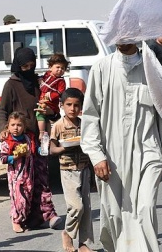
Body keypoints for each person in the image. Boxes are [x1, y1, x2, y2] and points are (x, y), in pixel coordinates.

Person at [80, 42, 162, 252]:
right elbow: (90, 116)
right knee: (114, 215)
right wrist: (97, 156)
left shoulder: (152, 69)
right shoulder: (102, 68)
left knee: (146, 208)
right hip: (112, 156)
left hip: (149, 153)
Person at [0, 47, 61, 231]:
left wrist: (51, 112)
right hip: (20, 141)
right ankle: (22, 217)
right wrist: (3, 129)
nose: (28, 69)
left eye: (32, 66)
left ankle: (48, 214)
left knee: (42, 176)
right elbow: (3, 110)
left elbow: (52, 106)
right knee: (24, 182)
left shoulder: (39, 82)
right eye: (25, 66)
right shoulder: (11, 84)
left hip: (40, 138)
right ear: (18, 65)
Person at [49, 88, 93, 252]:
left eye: (76, 105)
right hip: (68, 170)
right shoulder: (59, 125)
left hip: (85, 168)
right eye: (69, 105)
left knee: (87, 208)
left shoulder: (84, 124)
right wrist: (65, 148)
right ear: (62, 105)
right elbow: (52, 149)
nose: (72, 109)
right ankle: (67, 233)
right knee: (76, 207)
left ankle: (83, 244)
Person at [0, 112, 41, 233]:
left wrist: (41, 148)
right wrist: (15, 156)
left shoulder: (28, 138)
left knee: (27, 196)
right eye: (13, 125)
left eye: (19, 125)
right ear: (8, 126)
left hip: (28, 174)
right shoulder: (7, 142)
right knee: (18, 197)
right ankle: (15, 220)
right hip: (15, 176)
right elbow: (3, 158)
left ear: (24, 127)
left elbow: (35, 149)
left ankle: (23, 219)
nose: (16, 128)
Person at [36, 53, 69, 140]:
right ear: (50, 67)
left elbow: (61, 93)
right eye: (57, 67)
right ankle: (46, 134)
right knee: (45, 119)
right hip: (42, 100)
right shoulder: (46, 75)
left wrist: (50, 95)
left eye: (63, 68)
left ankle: (42, 133)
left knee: (40, 114)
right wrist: (39, 80)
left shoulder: (61, 81)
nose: (60, 70)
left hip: (51, 104)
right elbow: (41, 80)